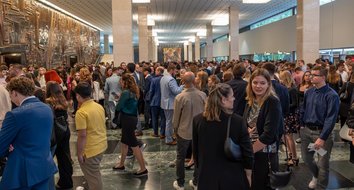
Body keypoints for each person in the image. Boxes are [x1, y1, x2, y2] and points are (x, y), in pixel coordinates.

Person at [0, 77, 57, 189]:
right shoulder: (47, 108)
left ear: (14, 93)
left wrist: (9, 148)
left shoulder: (15, 115)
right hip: (44, 165)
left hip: (22, 172)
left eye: (10, 95)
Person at [193, 83, 253, 190]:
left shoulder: (197, 120)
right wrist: (248, 174)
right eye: (232, 96)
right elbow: (247, 151)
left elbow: (196, 150)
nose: (234, 99)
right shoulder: (238, 121)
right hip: (232, 176)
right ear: (224, 100)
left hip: (207, 176)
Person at [300, 66, 340, 189]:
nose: (311, 77)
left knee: (323, 163)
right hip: (306, 131)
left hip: (321, 133)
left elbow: (331, 118)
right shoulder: (309, 92)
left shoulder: (331, 95)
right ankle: (316, 176)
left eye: (314, 75)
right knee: (306, 158)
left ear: (323, 77)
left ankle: (321, 187)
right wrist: (301, 125)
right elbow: (304, 109)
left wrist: (322, 137)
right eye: (311, 74)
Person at [243, 68, 283, 190]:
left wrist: (249, 151)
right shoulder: (251, 100)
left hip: (265, 154)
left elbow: (268, 135)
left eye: (262, 83)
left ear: (268, 84)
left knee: (262, 185)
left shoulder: (272, 102)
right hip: (252, 151)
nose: (258, 86)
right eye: (255, 82)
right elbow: (246, 122)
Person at [172, 72, 206, 190]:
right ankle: (196, 182)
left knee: (180, 157)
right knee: (198, 157)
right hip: (200, 131)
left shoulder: (179, 97)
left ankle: (180, 183)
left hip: (183, 131)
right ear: (194, 81)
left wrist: (175, 130)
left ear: (182, 82)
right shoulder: (202, 95)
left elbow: (176, 118)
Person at [112, 74, 148, 177]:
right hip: (132, 118)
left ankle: (143, 168)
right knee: (124, 142)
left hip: (127, 118)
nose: (120, 83)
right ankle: (121, 164)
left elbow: (119, 107)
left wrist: (118, 101)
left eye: (121, 81)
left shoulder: (126, 92)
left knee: (133, 144)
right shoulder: (134, 91)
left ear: (124, 82)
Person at [74, 82, 108, 190]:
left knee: (93, 177)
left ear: (78, 96)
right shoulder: (99, 106)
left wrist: (79, 154)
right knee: (94, 173)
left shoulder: (81, 112)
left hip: (90, 150)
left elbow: (82, 136)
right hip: (101, 144)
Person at [46, 81, 73, 189]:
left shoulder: (48, 102)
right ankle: (66, 182)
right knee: (65, 157)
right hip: (65, 129)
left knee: (50, 157)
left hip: (55, 131)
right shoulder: (63, 100)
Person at [160, 63, 184, 145]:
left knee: (168, 121)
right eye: (175, 71)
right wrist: (182, 86)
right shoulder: (171, 79)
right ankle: (169, 139)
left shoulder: (163, 78)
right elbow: (176, 91)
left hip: (164, 102)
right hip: (169, 103)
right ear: (172, 70)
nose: (175, 72)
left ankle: (170, 136)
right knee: (169, 122)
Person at [279, 71, 299, 166]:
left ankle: (294, 157)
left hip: (290, 115)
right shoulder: (285, 89)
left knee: (289, 137)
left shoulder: (292, 89)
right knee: (285, 137)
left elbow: (295, 104)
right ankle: (291, 154)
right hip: (286, 114)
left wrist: (284, 105)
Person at [149, 66, 166, 138]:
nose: (155, 72)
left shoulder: (154, 80)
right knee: (163, 118)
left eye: (156, 70)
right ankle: (162, 133)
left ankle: (155, 132)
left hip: (155, 101)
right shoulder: (165, 79)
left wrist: (150, 99)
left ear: (159, 71)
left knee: (154, 118)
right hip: (163, 101)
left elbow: (151, 91)